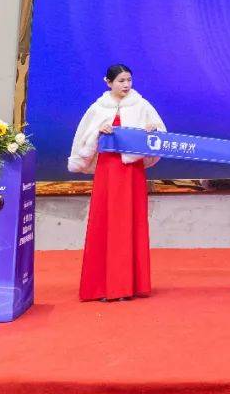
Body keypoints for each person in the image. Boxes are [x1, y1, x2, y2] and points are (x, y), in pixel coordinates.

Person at [68, 64, 165, 302]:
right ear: (108, 82)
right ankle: (102, 287)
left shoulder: (141, 105)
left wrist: (151, 130)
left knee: (130, 222)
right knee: (105, 222)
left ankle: (129, 286)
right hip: (108, 170)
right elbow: (83, 138)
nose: (126, 85)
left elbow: (160, 134)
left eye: (129, 80)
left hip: (131, 172)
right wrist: (98, 132)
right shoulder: (98, 107)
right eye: (121, 81)